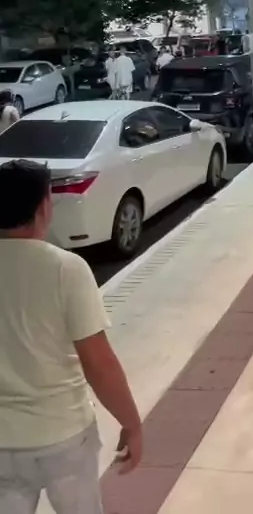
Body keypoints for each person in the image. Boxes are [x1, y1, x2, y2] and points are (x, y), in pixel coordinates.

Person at [0, 159, 142, 513]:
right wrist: (131, 423)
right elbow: (99, 363)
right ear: (43, 207)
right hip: (63, 435)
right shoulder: (66, 268)